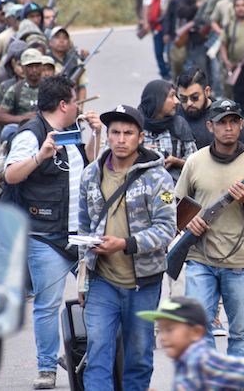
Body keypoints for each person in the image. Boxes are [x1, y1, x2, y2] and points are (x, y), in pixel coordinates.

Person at [4, 76, 101, 389]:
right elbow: (10, 174)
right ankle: (47, 368)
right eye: (75, 101)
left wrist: (97, 135)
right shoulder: (30, 135)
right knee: (48, 304)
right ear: (64, 104)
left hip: (81, 234)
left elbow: (90, 170)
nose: (78, 106)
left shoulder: (71, 132)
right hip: (45, 236)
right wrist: (38, 157)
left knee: (100, 298)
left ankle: (89, 358)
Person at [78, 105, 176, 390]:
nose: (121, 139)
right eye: (115, 132)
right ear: (107, 136)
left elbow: (166, 230)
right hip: (102, 282)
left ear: (140, 137)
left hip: (143, 284)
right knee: (97, 353)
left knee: (139, 358)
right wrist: (83, 280)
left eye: (128, 133)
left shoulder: (158, 178)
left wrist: (124, 244)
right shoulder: (90, 175)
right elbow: (83, 228)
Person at [175, 99, 244, 357]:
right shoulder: (195, 161)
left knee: (241, 332)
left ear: (241, 124)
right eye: (222, 122)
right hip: (201, 257)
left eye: (234, 121)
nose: (229, 128)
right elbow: (171, 200)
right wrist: (188, 221)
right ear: (210, 126)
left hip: (242, 261)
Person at [137, 297, 244, 390]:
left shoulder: (203, 361)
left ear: (196, 332)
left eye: (170, 330)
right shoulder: (184, 361)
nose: (163, 337)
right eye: (160, 330)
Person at [138, 79, 197, 183]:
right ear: (158, 99)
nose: (177, 101)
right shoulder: (135, 125)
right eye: (172, 96)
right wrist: (138, 152)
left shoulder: (179, 125)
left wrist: (176, 161)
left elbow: (195, 163)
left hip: (171, 190)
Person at [175, 68, 244, 149]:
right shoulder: (175, 115)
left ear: (207, 91)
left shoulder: (225, 113)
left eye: (194, 97)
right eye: (183, 99)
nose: (189, 103)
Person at [0, 48, 44, 142]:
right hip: (23, 131)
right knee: (8, 131)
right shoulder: (15, 90)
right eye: (30, 66)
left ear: (42, 67)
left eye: (37, 66)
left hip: (46, 129)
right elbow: (0, 116)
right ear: (23, 68)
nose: (34, 70)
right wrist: (23, 118)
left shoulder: (50, 87)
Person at [142, 0, 176, 79]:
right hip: (157, 23)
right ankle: (164, 73)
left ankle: (172, 70)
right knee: (158, 50)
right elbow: (147, 5)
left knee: (171, 49)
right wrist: (146, 22)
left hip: (172, 22)